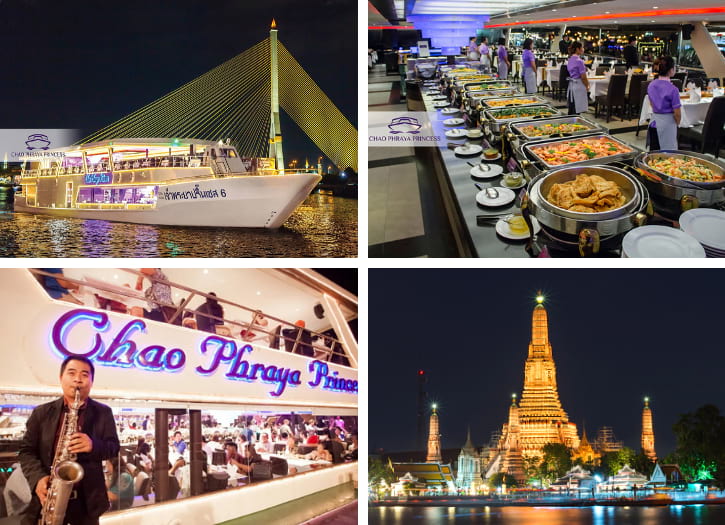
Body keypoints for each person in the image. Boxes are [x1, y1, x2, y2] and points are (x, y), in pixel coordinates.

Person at [18, 356, 120, 525]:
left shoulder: (104, 413)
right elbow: (26, 450)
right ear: (61, 378)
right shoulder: (41, 413)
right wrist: (37, 479)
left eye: (85, 374)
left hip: (87, 504)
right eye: (71, 373)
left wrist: (93, 445)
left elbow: (113, 447)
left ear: (92, 381)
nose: (78, 379)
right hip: (48, 497)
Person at [646, 56, 681, 150]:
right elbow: (677, 114)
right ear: (670, 70)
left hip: (654, 123)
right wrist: (677, 124)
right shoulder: (673, 89)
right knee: (668, 156)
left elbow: (652, 104)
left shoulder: (651, 85)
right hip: (667, 125)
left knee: (653, 154)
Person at [566, 41, 590, 115]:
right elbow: (583, 77)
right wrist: (587, 86)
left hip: (572, 86)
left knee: (572, 108)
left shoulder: (570, 59)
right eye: (582, 47)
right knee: (577, 109)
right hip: (579, 85)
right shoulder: (579, 61)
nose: (583, 49)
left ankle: (569, 124)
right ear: (577, 49)